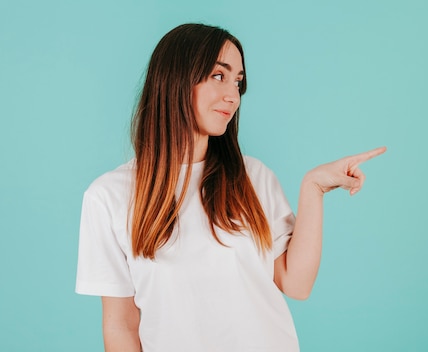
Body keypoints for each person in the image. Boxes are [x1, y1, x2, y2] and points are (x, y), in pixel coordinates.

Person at [75, 23, 385, 352]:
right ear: (175, 78)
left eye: (239, 82)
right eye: (219, 76)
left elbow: (296, 284)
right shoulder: (108, 197)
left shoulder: (253, 177)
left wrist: (314, 188)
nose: (233, 95)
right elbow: (121, 324)